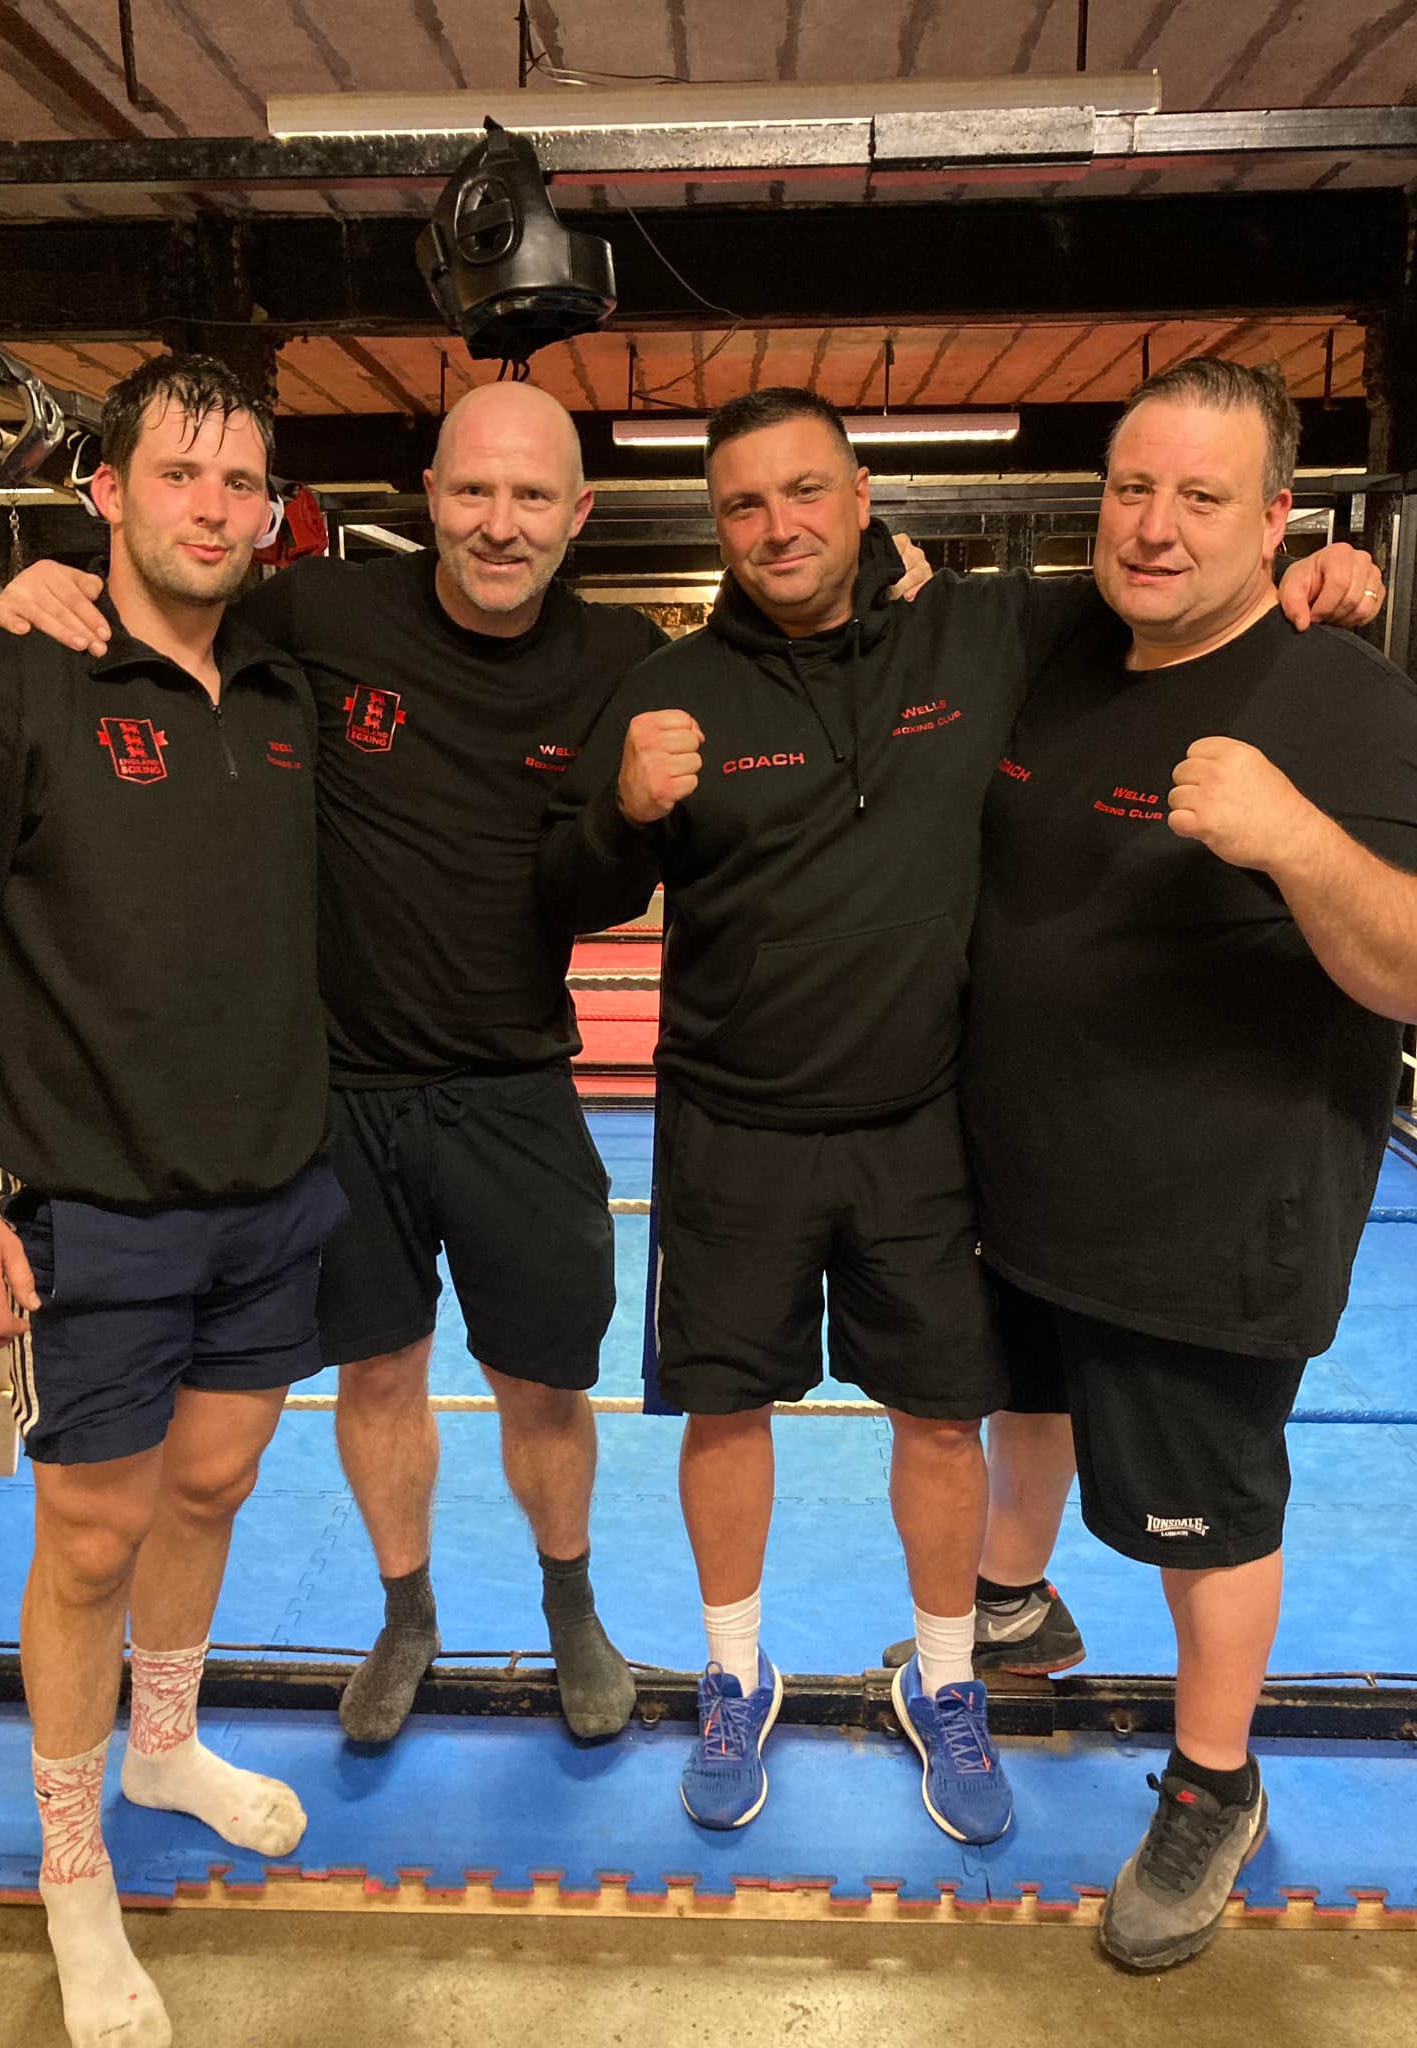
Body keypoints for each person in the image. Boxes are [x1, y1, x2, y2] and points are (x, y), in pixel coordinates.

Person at [536, 385, 1383, 1848]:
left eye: (808, 491)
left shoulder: (984, 631)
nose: (779, 526)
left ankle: (948, 1680)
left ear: (866, 500)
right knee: (724, 1414)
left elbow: (1178, 588)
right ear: (716, 525)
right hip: (732, 1126)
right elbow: (569, 887)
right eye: (744, 505)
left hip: (925, 1124)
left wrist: (1322, 572)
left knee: (942, 1422)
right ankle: (736, 1674)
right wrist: (622, 811)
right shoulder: (673, 687)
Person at [0, 381, 668, 1745]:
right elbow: (172, 601)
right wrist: (48, 588)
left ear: (578, 514)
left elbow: (607, 860)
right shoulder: (322, 615)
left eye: (532, 496)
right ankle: (406, 1612)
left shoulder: (623, 655)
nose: (499, 522)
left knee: (546, 1382)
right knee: (379, 1372)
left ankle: (571, 1605)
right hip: (341, 1097)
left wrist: (892, 591)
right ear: (430, 497)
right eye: (472, 491)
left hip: (515, 1086)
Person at [0, 354, 347, 2048]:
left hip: (274, 1191)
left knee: (212, 1485)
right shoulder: (1, 690)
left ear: (273, 510)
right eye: (178, 475)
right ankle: (71, 1862)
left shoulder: (287, 686)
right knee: (88, 1538)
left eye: (241, 483)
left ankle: (164, 1746)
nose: (212, 510)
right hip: (90, 1200)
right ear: (107, 492)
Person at [960, 356, 1417, 1970]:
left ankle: (1214, 1780)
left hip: (1207, 1219)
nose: (1154, 528)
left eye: (1202, 499)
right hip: (1029, 1180)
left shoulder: (1339, 700)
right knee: (1020, 1407)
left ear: (1276, 519)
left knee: (1205, 1514)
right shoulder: (1064, 647)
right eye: (1133, 490)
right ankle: (1013, 1609)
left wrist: (1293, 835)